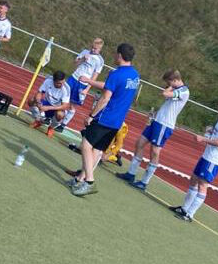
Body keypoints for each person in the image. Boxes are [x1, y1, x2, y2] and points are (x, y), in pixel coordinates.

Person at [66, 43, 140, 196]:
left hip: (106, 117)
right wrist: (90, 81)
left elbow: (106, 97)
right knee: (97, 149)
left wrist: (92, 115)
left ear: (119, 55)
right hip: (118, 120)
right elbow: (111, 87)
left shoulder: (116, 74)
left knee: (85, 145)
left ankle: (89, 181)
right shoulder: (135, 75)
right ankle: (80, 179)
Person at [116, 69, 189, 190]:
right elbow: (168, 105)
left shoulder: (184, 90)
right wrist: (155, 114)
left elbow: (165, 94)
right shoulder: (175, 89)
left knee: (154, 152)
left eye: (169, 82)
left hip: (164, 125)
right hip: (157, 121)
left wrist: (170, 87)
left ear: (175, 80)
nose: (167, 85)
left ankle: (144, 182)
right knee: (139, 143)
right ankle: (131, 174)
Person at [169, 96, 218, 222]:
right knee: (194, 179)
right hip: (207, 156)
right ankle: (184, 209)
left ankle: (190, 214)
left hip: (214, 159)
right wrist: (211, 131)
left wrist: (203, 139)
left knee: (202, 185)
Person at [55, 38, 104, 133]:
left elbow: (95, 76)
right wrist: (82, 59)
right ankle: (52, 118)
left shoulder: (100, 61)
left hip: (83, 84)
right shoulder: (85, 52)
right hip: (73, 78)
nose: (92, 50)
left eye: (95, 48)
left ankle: (63, 125)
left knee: (72, 106)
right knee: (62, 99)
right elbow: (75, 63)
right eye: (92, 47)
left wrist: (87, 89)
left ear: (100, 49)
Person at [28, 71, 71, 138]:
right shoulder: (48, 80)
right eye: (59, 83)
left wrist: (48, 108)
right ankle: (38, 121)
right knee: (31, 100)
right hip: (46, 102)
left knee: (60, 115)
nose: (61, 84)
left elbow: (64, 106)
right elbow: (39, 93)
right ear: (54, 81)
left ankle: (51, 128)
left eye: (63, 82)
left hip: (56, 108)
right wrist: (39, 103)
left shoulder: (67, 88)